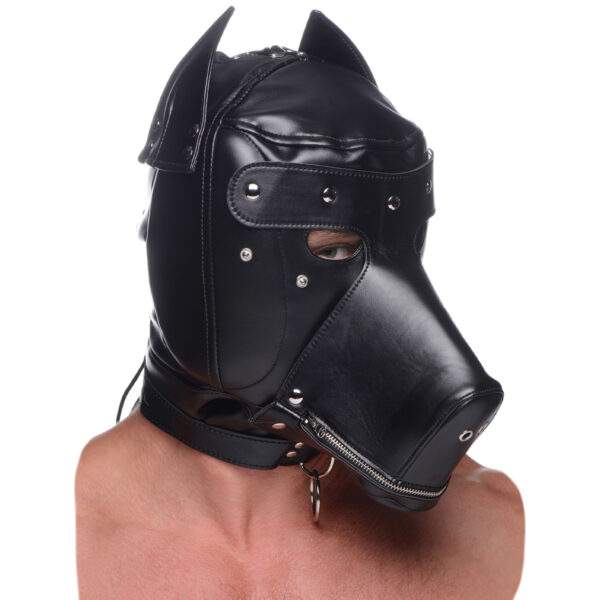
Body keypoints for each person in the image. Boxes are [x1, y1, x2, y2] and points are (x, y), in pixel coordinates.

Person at [76, 8, 525, 599]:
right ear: (192, 256)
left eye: (400, 251)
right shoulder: (47, 507)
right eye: (334, 252)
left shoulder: (485, 522)